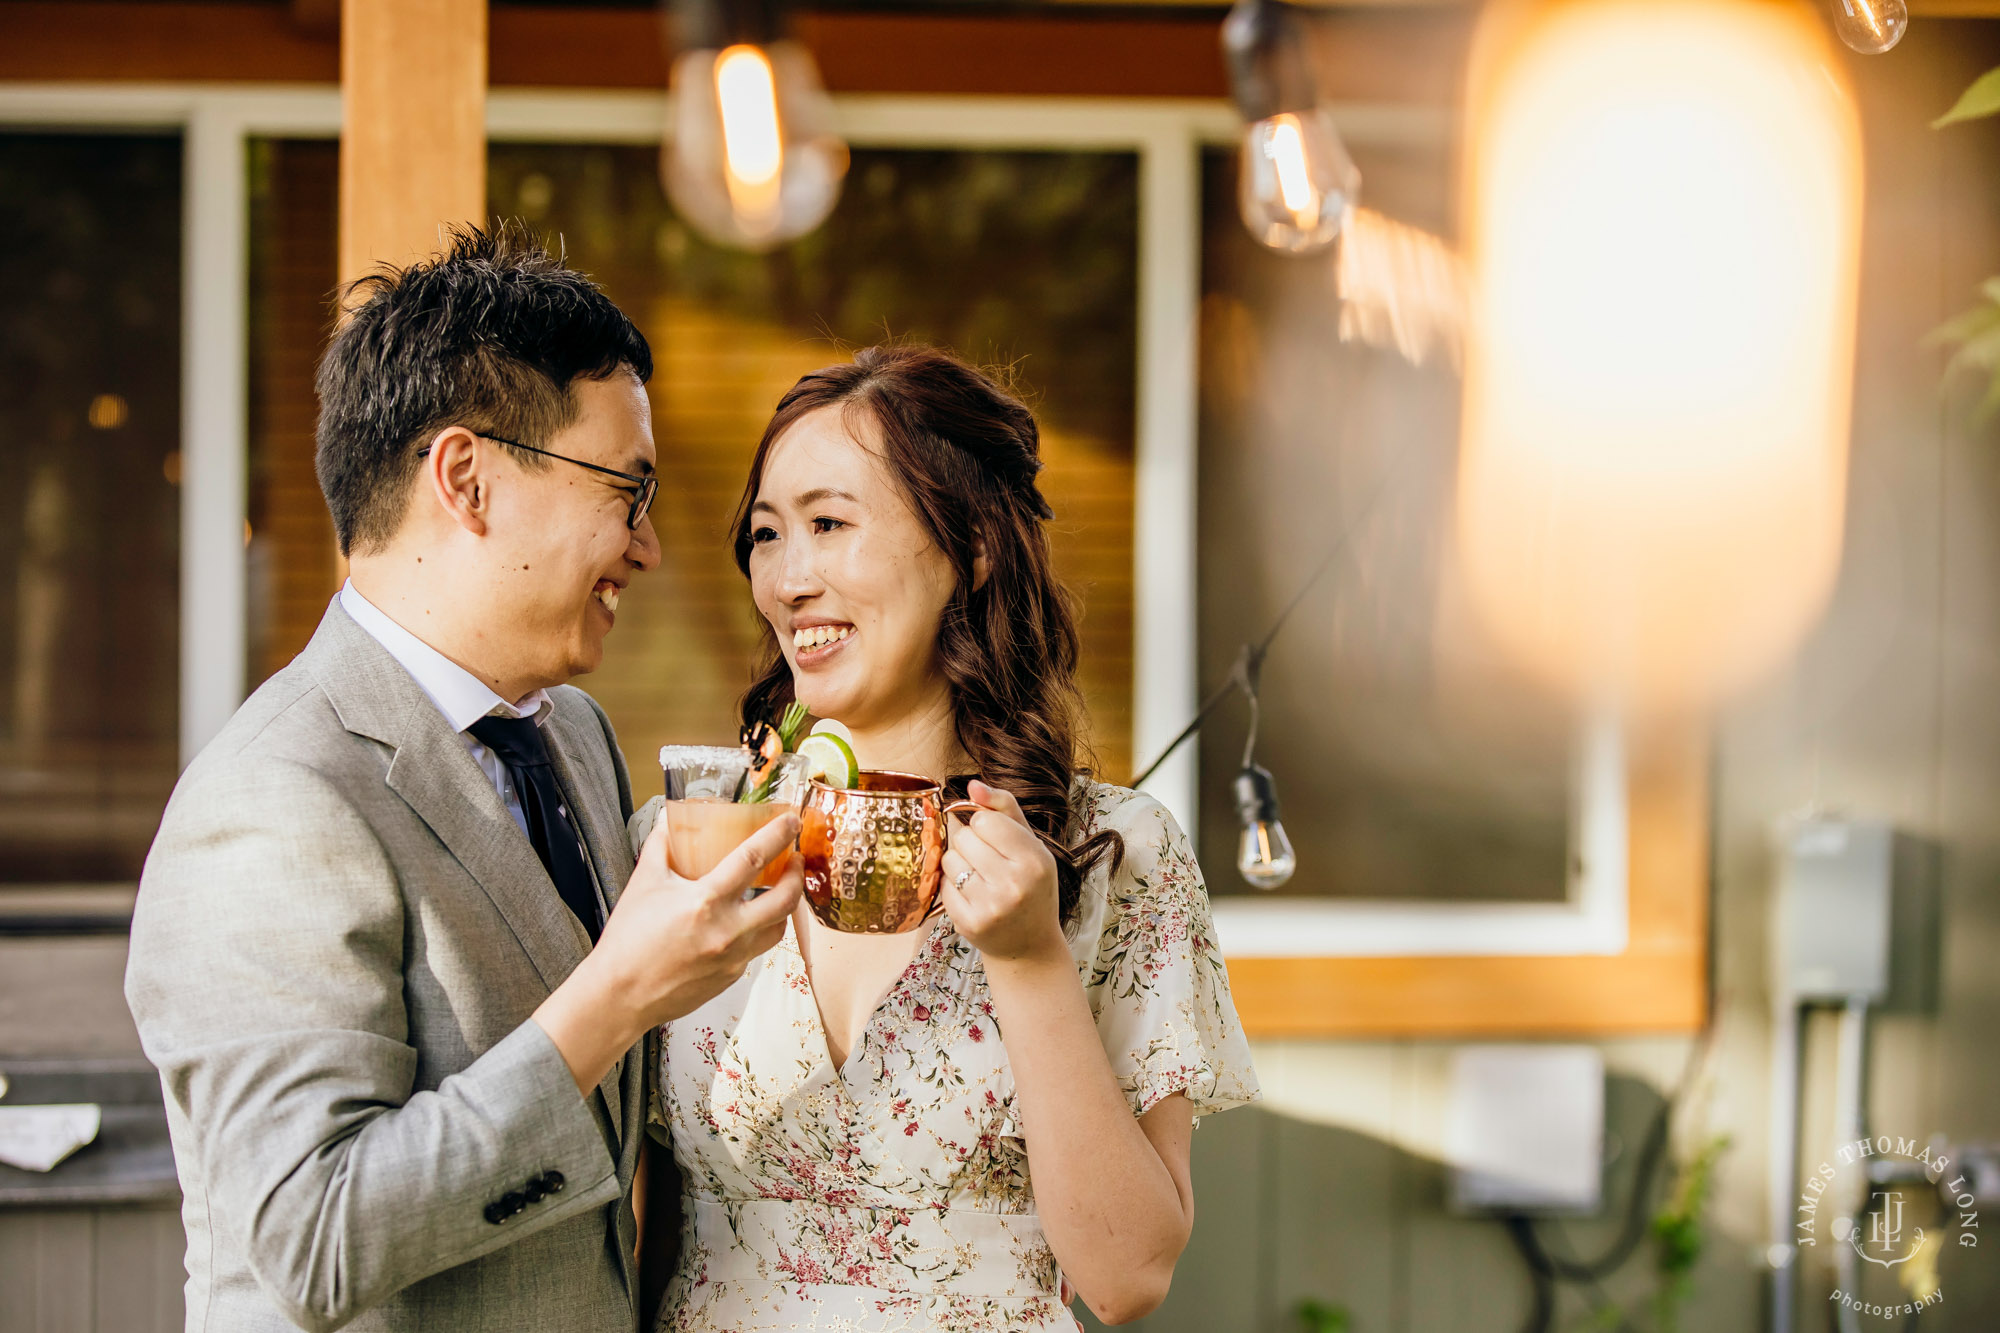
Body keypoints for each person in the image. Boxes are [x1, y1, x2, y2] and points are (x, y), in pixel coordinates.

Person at [124, 224, 802, 1333]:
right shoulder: (270, 800)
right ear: (467, 478)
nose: (648, 549)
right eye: (625, 492)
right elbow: (312, 1238)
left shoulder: (574, 734)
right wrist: (618, 992)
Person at [636, 344, 1260, 1331]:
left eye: (829, 524)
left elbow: (1127, 1275)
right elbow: (636, 1224)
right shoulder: (692, 841)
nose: (789, 577)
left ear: (968, 543)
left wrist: (1028, 960)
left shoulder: (1112, 852)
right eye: (765, 534)